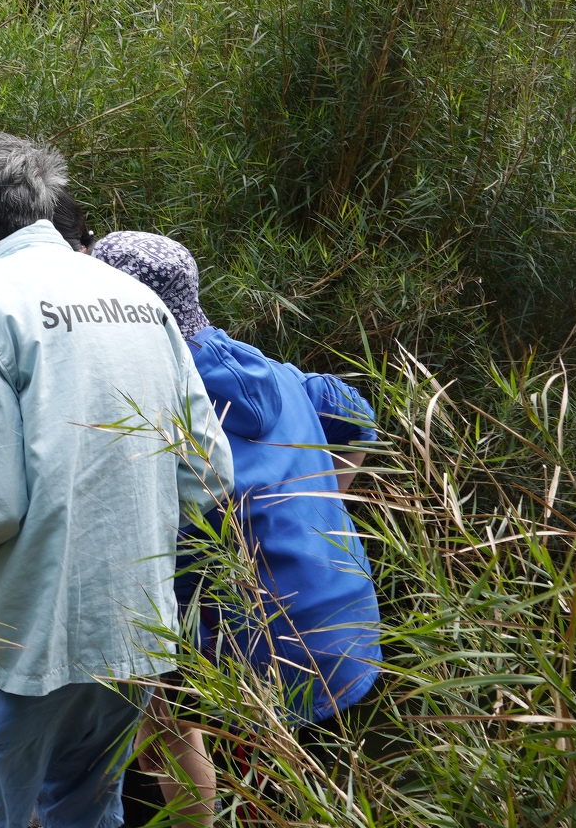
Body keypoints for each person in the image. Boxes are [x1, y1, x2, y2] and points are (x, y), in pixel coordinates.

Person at [0, 133, 234, 828]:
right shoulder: (138, 301)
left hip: (15, 644)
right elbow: (209, 473)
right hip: (131, 637)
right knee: (84, 813)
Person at [94, 231, 380, 826]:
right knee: (316, 779)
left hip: (248, 641)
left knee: (166, 724)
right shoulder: (271, 371)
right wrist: (325, 501)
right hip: (346, 625)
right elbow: (359, 416)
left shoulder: (148, 396)